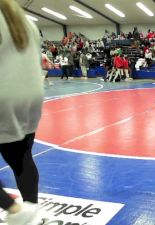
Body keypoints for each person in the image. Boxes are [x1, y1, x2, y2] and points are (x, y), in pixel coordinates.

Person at [0, 0, 43, 224]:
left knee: (21, 159)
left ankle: (15, 210)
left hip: (3, 101)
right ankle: (31, 210)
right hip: (29, 104)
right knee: (22, 160)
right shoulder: (25, 21)